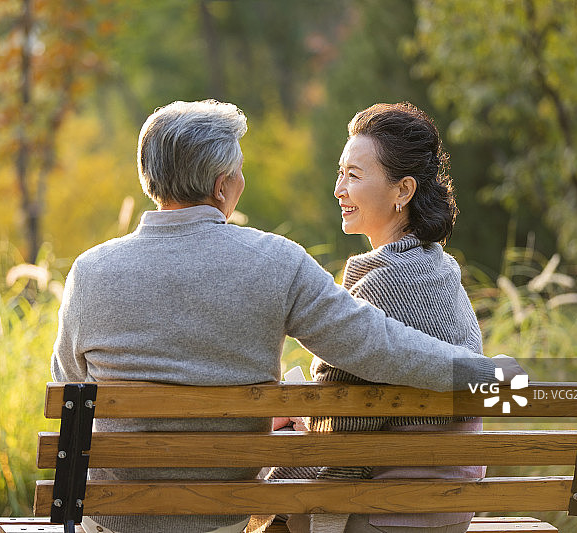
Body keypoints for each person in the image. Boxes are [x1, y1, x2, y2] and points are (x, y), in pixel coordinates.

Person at [50, 100, 523, 533]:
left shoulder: (89, 272)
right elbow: (382, 347)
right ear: (222, 186)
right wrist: (489, 375)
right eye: (238, 171)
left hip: (111, 521)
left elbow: (68, 388)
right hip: (223, 520)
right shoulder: (276, 261)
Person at [273, 102, 487, 533]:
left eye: (353, 175)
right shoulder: (441, 268)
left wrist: (293, 426)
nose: (338, 189)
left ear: (402, 191)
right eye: (340, 173)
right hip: (451, 508)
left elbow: (343, 431)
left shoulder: (380, 287)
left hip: (391, 511)